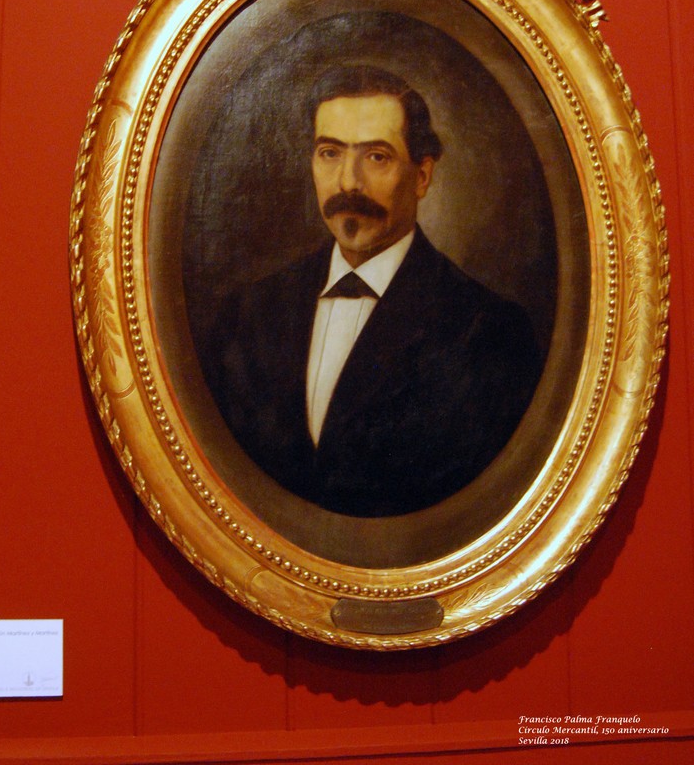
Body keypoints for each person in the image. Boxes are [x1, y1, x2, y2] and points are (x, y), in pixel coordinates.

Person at [202, 65, 542, 517]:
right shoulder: (248, 315)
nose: (348, 182)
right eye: (330, 153)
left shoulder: (489, 332)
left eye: (377, 157)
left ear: (422, 176)